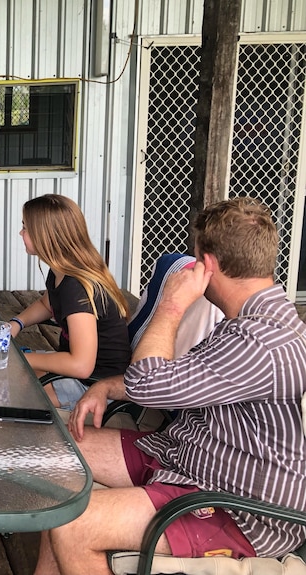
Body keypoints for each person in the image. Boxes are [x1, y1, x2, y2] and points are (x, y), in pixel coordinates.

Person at [37, 198, 306, 575]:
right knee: (57, 448)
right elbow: (181, 377)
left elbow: (147, 383)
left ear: (208, 265)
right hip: (186, 456)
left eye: (195, 260)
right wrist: (108, 387)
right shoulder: (252, 322)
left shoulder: (261, 342)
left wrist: (172, 305)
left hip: (236, 506)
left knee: (73, 524)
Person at [8, 194, 131, 410]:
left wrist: (23, 359)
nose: (21, 233)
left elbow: (81, 365)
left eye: (25, 227)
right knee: (3, 372)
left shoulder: (76, 287)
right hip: (78, 371)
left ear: (46, 237)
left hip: (94, 385)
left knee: (3, 391)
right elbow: (47, 305)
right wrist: (17, 323)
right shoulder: (62, 272)